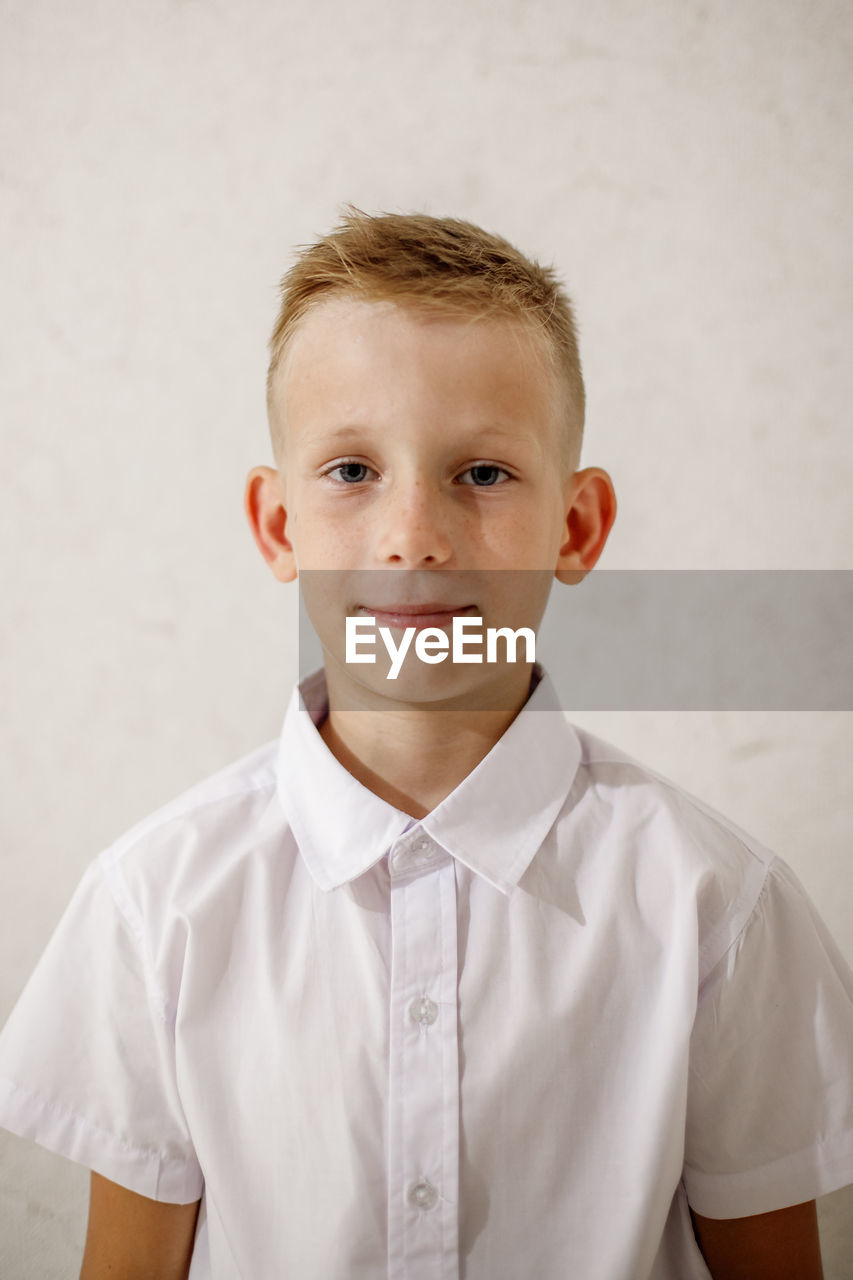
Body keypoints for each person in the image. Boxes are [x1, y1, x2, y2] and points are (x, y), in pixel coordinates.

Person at [1, 209, 852, 1280]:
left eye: (483, 474)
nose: (415, 532)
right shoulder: (154, 903)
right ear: (277, 527)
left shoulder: (718, 908)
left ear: (577, 528)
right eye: (352, 470)